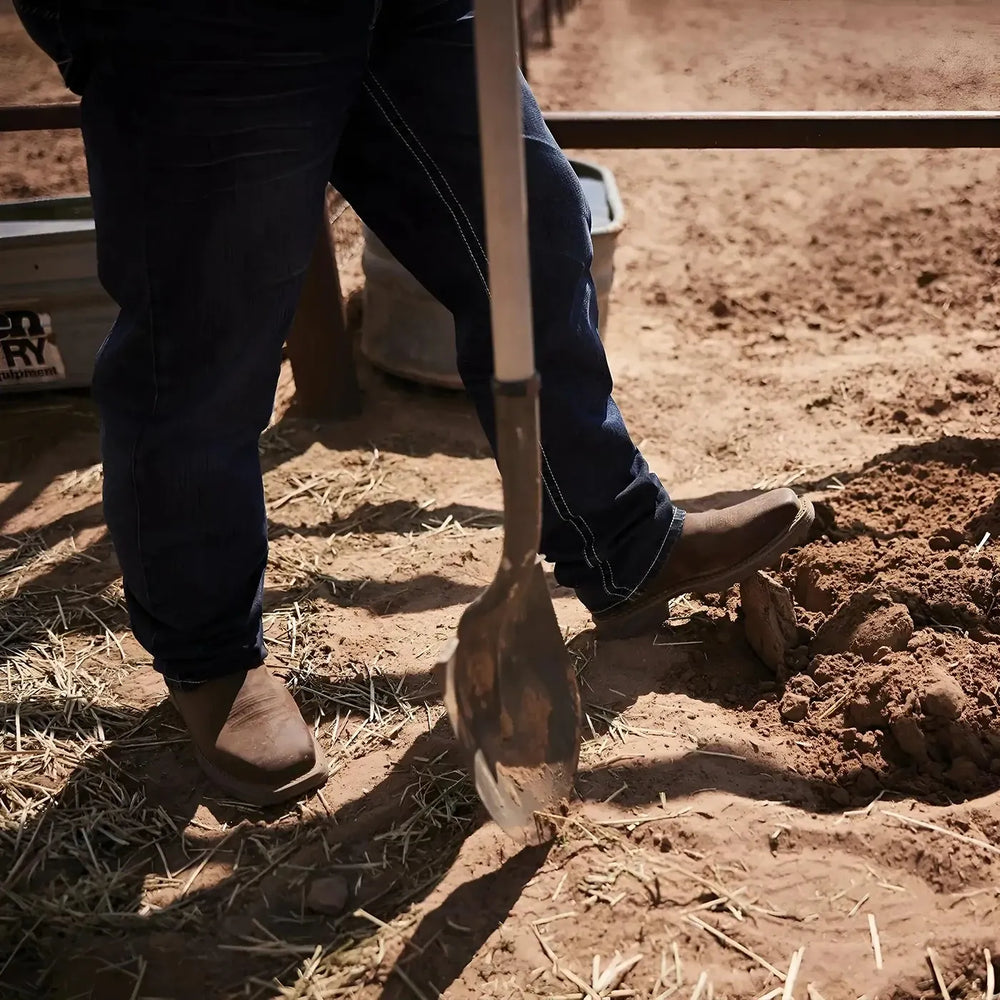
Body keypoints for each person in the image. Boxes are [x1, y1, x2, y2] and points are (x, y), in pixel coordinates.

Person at [14, 0, 814, 806]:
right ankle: (209, 655)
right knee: (207, 330)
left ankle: (622, 543)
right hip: (208, 25)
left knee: (532, 231)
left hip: (409, 6)